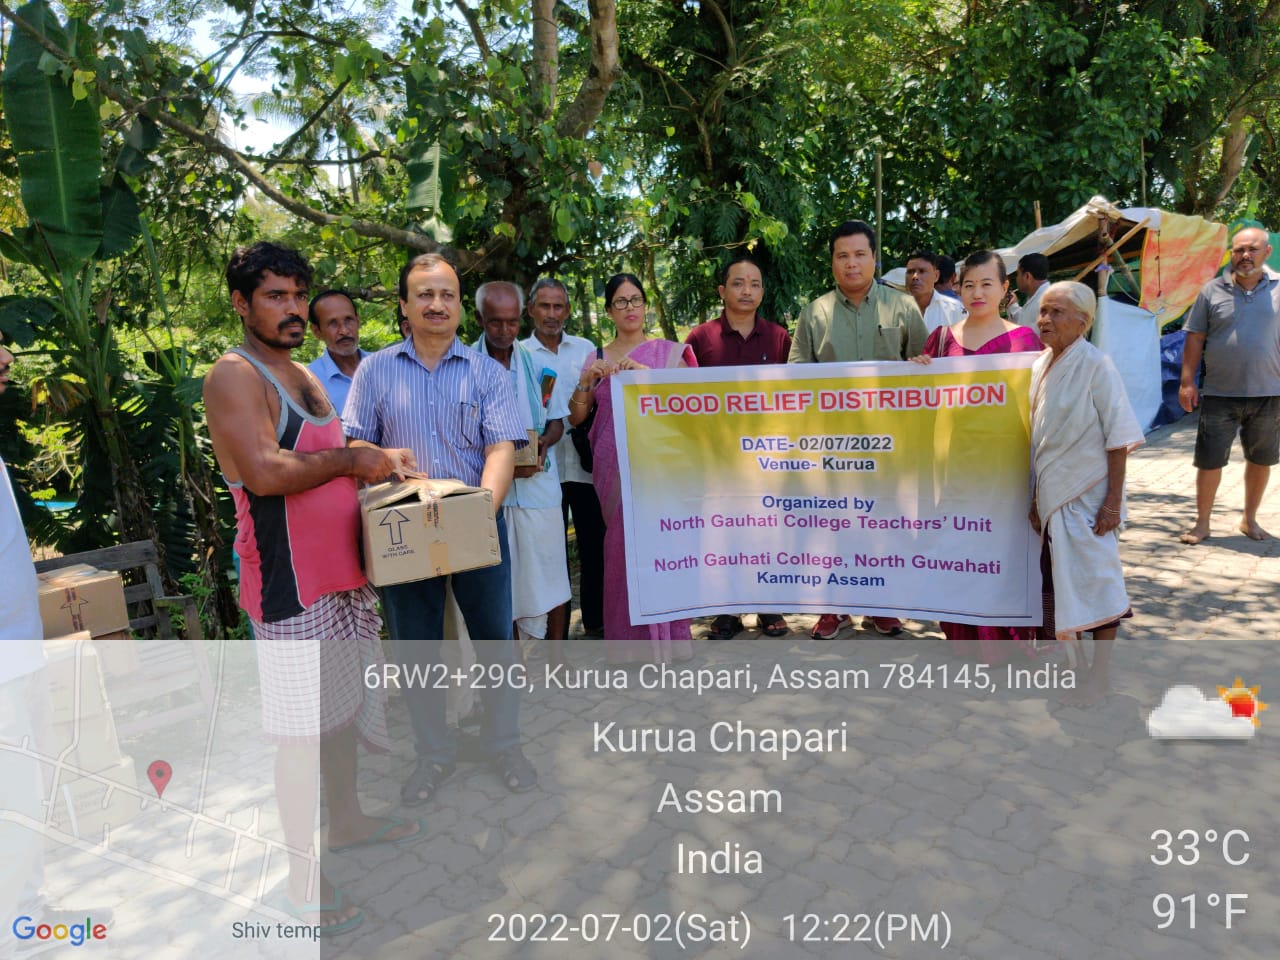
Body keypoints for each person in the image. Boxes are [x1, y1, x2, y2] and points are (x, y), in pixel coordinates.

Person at [202, 242, 420, 935]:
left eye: (299, 294)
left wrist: (379, 467)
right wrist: (355, 459)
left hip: (341, 578)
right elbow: (266, 473)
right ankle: (301, 883)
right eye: (276, 296)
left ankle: (349, 822)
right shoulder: (235, 376)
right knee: (299, 737)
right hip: (289, 585)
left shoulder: (299, 371)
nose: (294, 308)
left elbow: (329, 459)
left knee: (342, 712)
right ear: (241, 304)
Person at [343, 253, 537, 805]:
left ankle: (505, 744)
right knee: (416, 648)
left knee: (496, 643)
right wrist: (378, 454)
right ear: (404, 306)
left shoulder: (488, 373)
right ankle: (433, 754)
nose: (437, 304)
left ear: (459, 306)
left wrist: (480, 510)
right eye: (424, 294)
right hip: (403, 532)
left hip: (475, 527)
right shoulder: (375, 370)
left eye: (447, 294)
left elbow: (502, 447)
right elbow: (352, 443)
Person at [789, 220, 928, 640]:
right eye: (842, 255)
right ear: (832, 261)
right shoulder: (814, 312)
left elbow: (926, 368)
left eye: (859, 254)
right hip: (832, 444)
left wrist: (919, 371)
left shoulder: (903, 307)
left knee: (884, 524)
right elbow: (796, 376)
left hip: (890, 443)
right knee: (832, 528)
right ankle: (833, 609)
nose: (851, 263)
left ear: (873, 258)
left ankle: (882, 607)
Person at [911, 250, 1044, 664]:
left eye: (987, 283)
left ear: (1006, 289)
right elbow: (921, 402)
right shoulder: (942, 339)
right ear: (958, 287)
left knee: (1003, 552)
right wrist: (917, 371)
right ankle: (964, 637)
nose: (977, 292)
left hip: (1007, 470)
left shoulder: (1025, 342)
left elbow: (1041, 407)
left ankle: (1008, 641)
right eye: (969, 284)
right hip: (954, 469)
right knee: (960, 551)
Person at [567, 273, 696, 664]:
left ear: (646, 305)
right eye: (620, 302)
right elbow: (576, 418)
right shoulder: (596, 358)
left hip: (661, 470)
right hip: (615, 473)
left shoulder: (668, 354)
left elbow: (692, 404)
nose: (630, 308)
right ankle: (629, 648)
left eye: (635, 299)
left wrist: (647, 378)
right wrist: (587, 381)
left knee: (663, 547)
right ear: (608, 311)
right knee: (622, 550)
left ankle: (672, 641)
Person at [1029, 281, 1144, 707]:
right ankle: (1072, 668)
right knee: (1061, 586)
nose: (1045, 320)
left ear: (1083, 321)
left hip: (1090, 497)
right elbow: (1039, 440)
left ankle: (1099, 676)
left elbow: (1119, 438)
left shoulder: (1098, 366)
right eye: (1043, 311)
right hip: (1052, 495)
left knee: (1099, 585)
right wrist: (1035, 498)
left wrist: (1113, 502)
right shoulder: (1039, 366)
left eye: (1056, 312)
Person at [685, 254, 791, 640]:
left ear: (763, 292)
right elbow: (680, 396)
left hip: (766, 457)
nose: (747, 291)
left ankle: (768, 606)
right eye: (738, 283)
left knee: (765, 530)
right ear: (722, 290)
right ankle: (726, 610)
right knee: (722, 532)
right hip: (716, 457)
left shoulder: (779, 338)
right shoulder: (700, 339)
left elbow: (794, 396)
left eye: (755, 283)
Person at [473, 281, 572, 665]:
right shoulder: (465, 364)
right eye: (495, 322)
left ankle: (557, 655)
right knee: (505, 581)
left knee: (551, 572)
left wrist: (544, 443)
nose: (504, 331)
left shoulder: (539, 364)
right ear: (481, 319)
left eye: (511, 323)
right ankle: (513, 659)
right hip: (491, 490)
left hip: (538, 488)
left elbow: (557, 422)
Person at [1178, 226, 1280, 543]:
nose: (1244, 256)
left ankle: (1250, 520)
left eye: (1251, 249)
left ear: (1267, 252)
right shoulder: (1211, 291)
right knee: (1209, 461)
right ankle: (1202, 524)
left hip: (1270, 393)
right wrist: (1186, 383)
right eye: (1238, 250)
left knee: (1261, 460)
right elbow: (1195, 338)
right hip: (1219, 393)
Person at [521, 278, 605, 641]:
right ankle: (549, 634)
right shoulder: (518, 353)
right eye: (544, 306)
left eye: (558, 307)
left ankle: (597, 623)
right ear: (531, 310)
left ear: (568, 311)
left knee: (593, 546)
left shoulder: (586, 349)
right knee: (547, 554)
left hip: (586, 468)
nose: (551, 314)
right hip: (540, 473)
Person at [307, 290, 369, 416]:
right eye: (333, 323)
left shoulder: (386, 366)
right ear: (316, 331)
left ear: (358, 321)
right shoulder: (310, 382)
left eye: (349, 320)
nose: (344, 331)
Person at [905, 250, 965, 333]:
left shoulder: (955, 310)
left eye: (922, 271)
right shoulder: (893, 309)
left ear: (936, 276)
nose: (915, 277)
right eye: (910, 272)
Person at [1005, 253, 1050, 327]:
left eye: (1018, 274)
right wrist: (1012, 306)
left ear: (1027, 276)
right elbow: (1024, 322)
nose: (1017, 278)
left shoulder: (1046, 302)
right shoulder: (1037, 298)